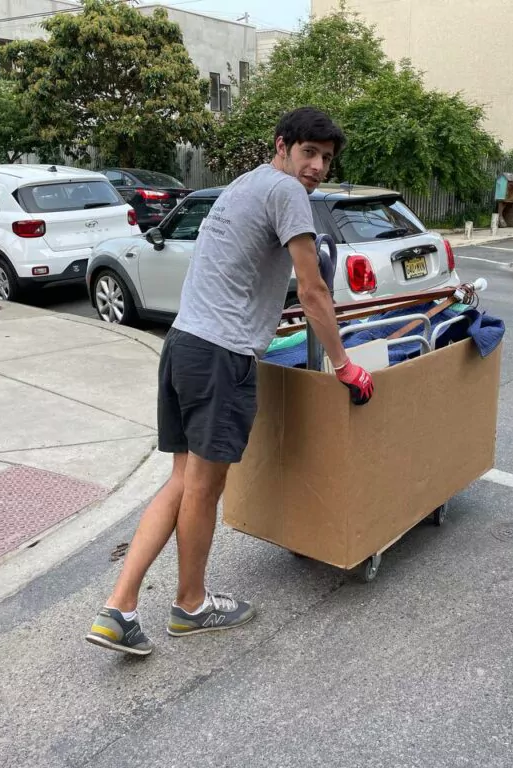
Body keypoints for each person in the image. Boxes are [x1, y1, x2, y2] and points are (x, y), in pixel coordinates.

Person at [85, 106, 374, 656]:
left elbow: (245, 273)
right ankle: (190, 606)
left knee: (179, 481)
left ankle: (117, 607)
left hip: (183, 345)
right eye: (309, 152)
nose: (316, 167)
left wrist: (271, 313)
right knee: (202, 489)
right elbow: (313, 290)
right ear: (282, 145)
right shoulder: (288, 194)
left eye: (327, 159)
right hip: (221, 356)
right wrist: (345, 365)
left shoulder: (244, 185)